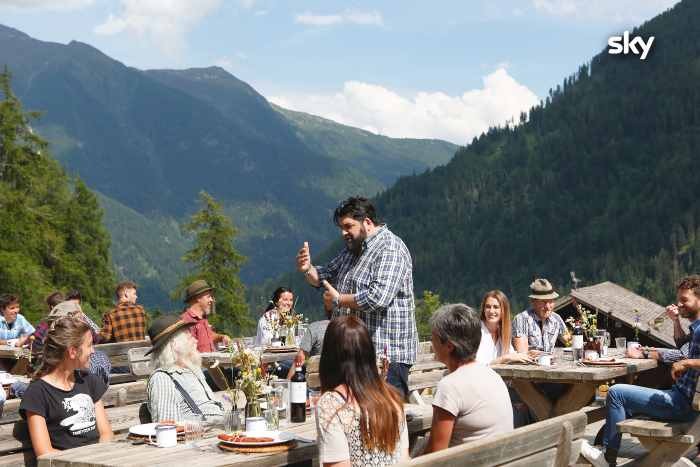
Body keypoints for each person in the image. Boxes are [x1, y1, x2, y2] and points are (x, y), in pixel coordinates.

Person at [297, 196, 418, 398]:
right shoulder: (353, 250)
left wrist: (339, 299)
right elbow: (325, 274)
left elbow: (378, 298)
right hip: (354, 355)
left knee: (384, 422)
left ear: (367, 223)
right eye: (341, 228)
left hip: (385, 357)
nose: (344, 233)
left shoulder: (390, 248)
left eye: (348, 226)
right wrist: (307, 268)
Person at [581, 275, 700, 467]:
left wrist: (684, 363)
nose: (680, 303)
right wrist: (675, 324)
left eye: (685, 299)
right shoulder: (697, 328)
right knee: (624, 403)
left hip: (681, 405)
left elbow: (682, 356)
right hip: (683, 401)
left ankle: (607, 458)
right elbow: (683, 348)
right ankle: (607, 448)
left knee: (616, 392)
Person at [316, 315, 408, 466]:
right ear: (369, 353)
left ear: (329, 356)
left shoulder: (332, 404)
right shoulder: (392, 397)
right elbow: (404, 459)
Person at [423, 304, 513, 453]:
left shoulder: (450, 386)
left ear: (449, 346)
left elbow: (434, 455)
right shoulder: (492, 375)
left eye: (434, 339)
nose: (432, 346)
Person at [19, 315, 113, 456]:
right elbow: (45, 453)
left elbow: (106, 434)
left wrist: (98, 458)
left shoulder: (89, 381)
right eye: (89, 345)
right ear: (72, 352)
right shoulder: (37, 393)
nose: (93, 351)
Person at [146, 315, 224, 423]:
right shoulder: (162, 379)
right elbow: (167, 428)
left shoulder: (193, 370)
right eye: (189, 336)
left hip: (219, 430)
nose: (195, 340)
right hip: (201, 437)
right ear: (174, 344)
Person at [476, 290, 532, 365]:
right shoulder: (476, 331)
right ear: (483, 310)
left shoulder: (503, 332)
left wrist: (527, 355)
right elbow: (478, 365)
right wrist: (504, 358)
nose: (491, 311)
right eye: (488, 307)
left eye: (496, 307)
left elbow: (511, 355)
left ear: (504, 310)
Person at [512, 278, 568, 354]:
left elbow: (569, 341)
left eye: (551, 301)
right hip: (528, 365)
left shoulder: (556, 318)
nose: (548, 307)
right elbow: (522, 354)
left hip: (549, 364)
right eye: (544, 302)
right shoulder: (521, 319)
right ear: (532, 302)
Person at [180, 280, 230, 353]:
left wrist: (221, 337)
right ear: (198, 298)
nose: (212, 300)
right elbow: (186, 354)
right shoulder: (186, 321)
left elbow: (209, 336)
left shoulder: (202, 318)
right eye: (208, 297)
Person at [288, 303, 332, 379]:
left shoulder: (315, 328)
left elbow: (299, 361)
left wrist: (287, 386)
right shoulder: (356, 329)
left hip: (318, 385)